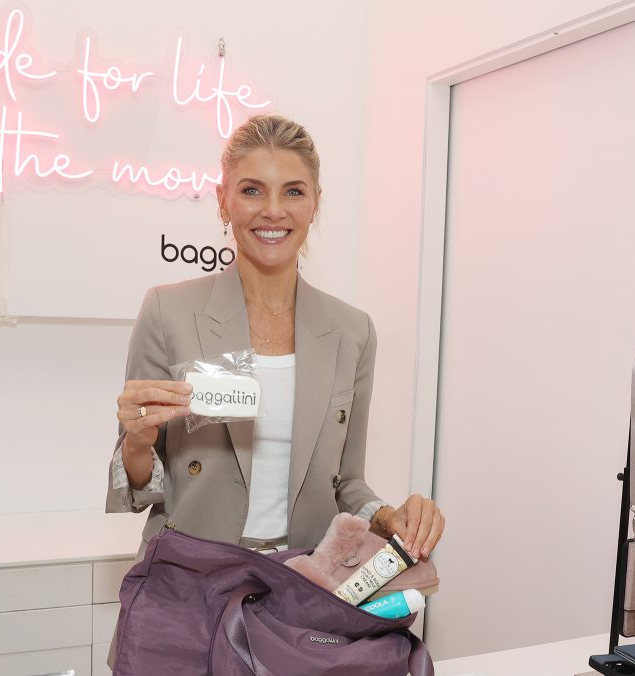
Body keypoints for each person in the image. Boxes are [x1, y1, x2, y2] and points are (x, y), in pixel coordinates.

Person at [105, 114, 445, 566]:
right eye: (251, 190)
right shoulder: (168, 312)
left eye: (293, 191)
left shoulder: (353, 331)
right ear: (223, 201)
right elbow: (142, 487)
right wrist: (137, 441)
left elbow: (345, 485)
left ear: (314, 204)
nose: (273, 210)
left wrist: (390, 516)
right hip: (191, 582)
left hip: (302, 584)